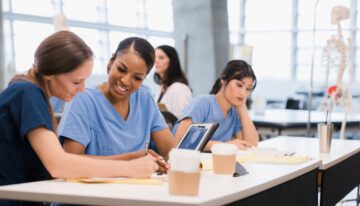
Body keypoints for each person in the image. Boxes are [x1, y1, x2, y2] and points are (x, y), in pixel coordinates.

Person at [0, 31, 160, 205]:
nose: (82, 89)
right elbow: (59, 165)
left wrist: (130, 159)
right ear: (50, 73)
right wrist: (129, 168)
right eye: (76, 82)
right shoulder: (28, 94)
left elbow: (60, 161)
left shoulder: (29, 93)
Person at [58, 37, 174, 163]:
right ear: (111, 61)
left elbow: (170, 153)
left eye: (137, 78)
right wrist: (132, 160)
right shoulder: (82, 100)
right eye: (121, 69)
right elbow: (70, 161)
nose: (125, 81)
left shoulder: (144, 99)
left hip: (141, 182)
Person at [173, 60, 259, 151]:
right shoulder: (202, 103)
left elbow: (251, 145)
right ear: (223, 80)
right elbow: (181, 141)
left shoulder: (234, 112)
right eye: (239, 85)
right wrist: (224, 146)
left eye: (248, 89)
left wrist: (242, 107)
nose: (243, 93)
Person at [154, 45, 192, 118]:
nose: (156, 61)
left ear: (172, 61)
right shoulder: (162, 88)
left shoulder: (179, 88)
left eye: (161, 58)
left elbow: (182, 118)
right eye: (155, 57)